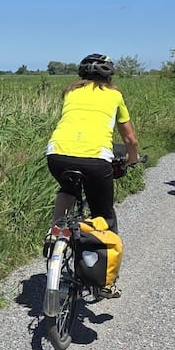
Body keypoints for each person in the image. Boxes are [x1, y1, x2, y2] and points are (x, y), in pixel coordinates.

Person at [46, 53, 141, 235]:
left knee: (68, 189)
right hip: (96, 159)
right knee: (103, 215)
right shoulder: (114, 95)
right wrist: (133, 158)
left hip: (56, 154)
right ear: (109, 76)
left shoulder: (71, 92)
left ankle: (55, 232)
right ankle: (103, 258)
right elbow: (130, 138)